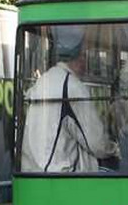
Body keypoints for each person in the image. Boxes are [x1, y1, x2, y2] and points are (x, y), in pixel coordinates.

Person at [20, 26, 112, 172]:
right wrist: (114, 149)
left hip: (31, 174)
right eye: (84, 54)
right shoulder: (74, 87)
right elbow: (97, 144)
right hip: (63, 178)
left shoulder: (42, 82)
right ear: (80, 56)